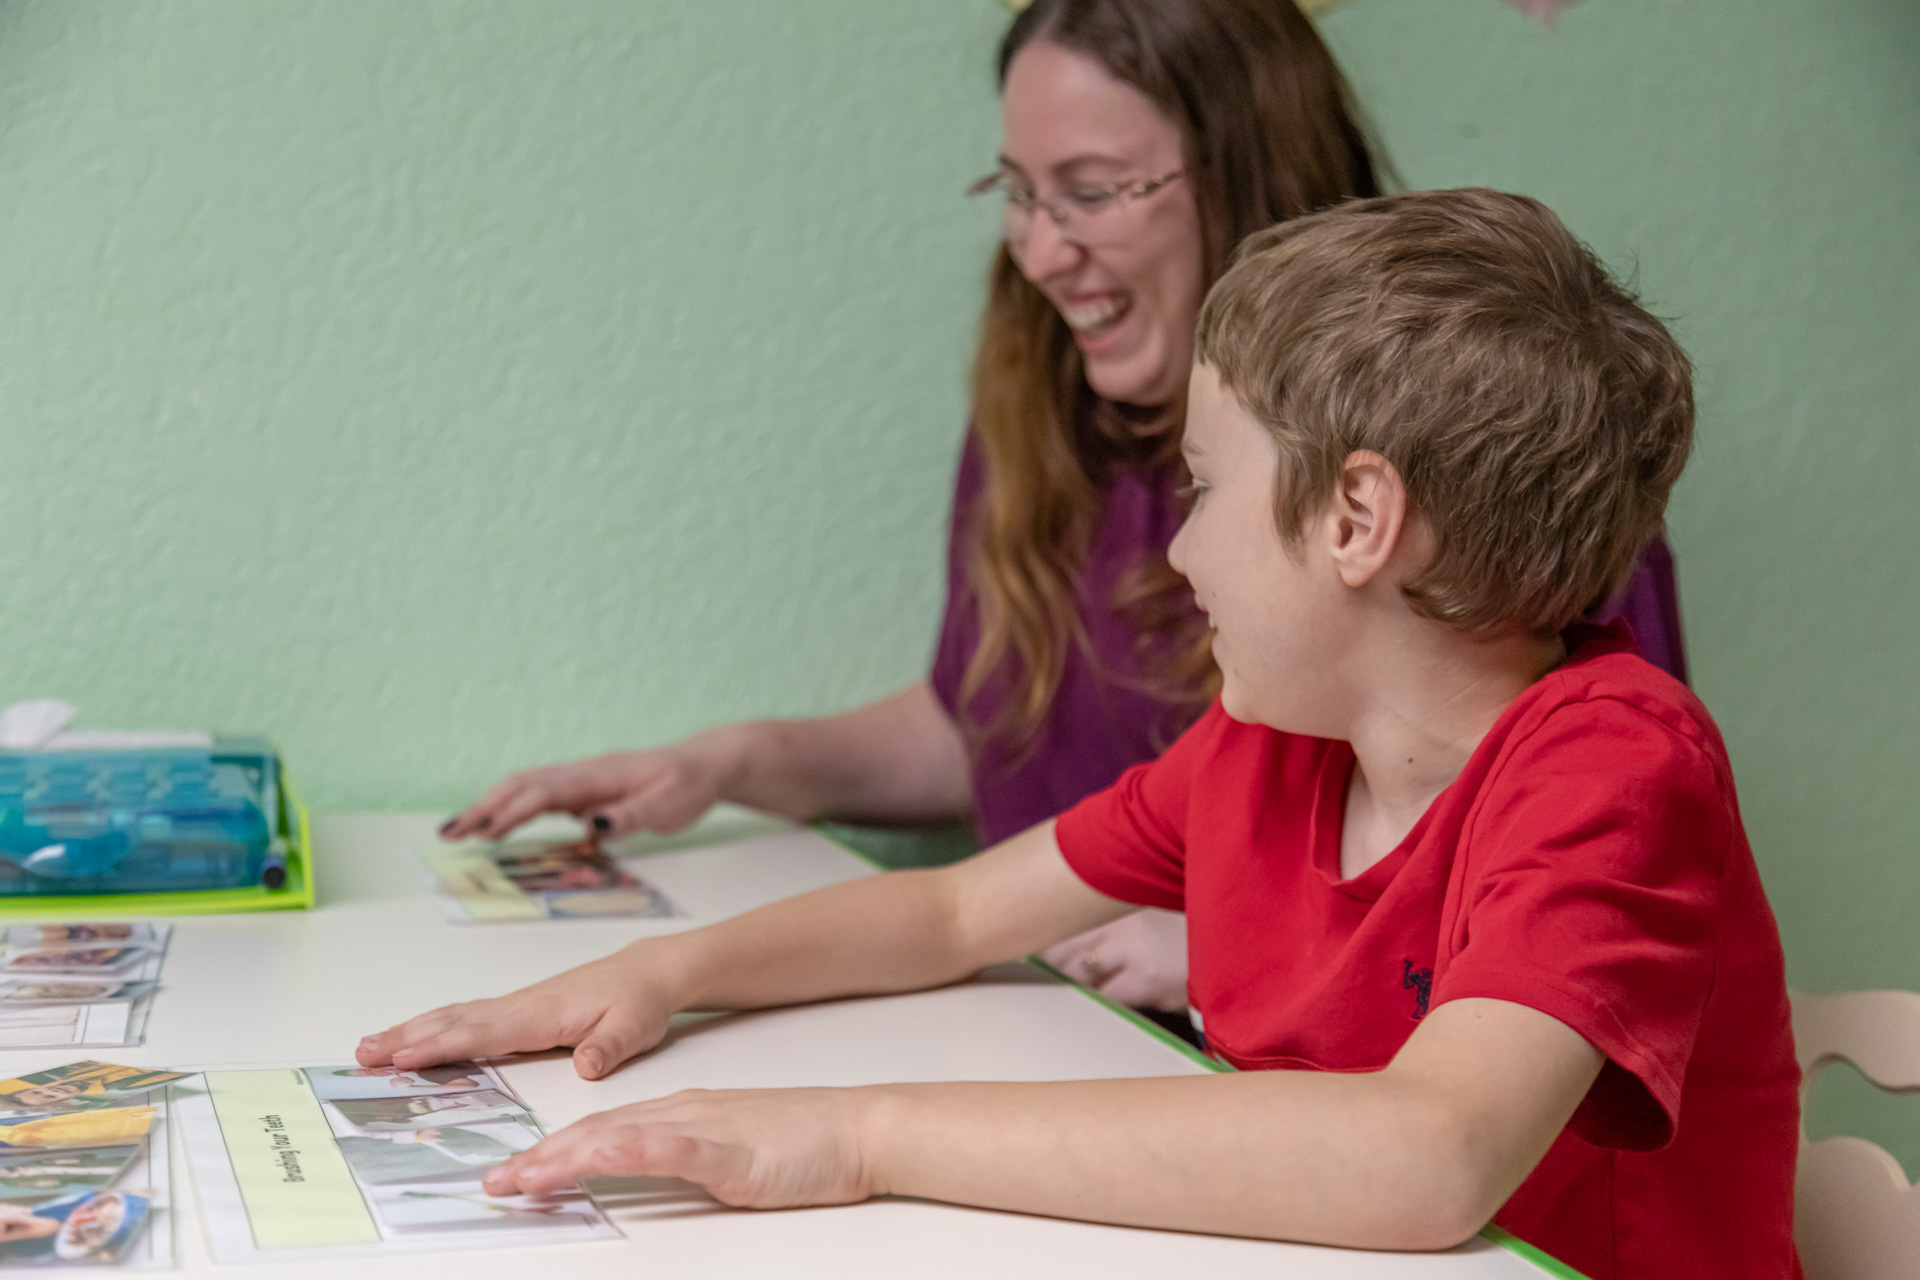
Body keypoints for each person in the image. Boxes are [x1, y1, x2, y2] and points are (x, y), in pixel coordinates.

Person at [359, 188, 1796, 1278]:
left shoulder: (1614, 761)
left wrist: (858, 1136)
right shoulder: (1270, 747)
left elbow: (1428, 1157)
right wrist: (660, 973)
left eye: (1203, 489)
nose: (1179, 556)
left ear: (1356, 519)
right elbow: (953, 912)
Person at [436, 0, 1689, 1018]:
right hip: (1087, 1028)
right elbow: (986, 781)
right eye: (1020, 193)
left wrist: (1229, 948)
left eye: (1089, 190)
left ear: (1366, 517)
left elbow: (1464, 1065)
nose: (1038, 252)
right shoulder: (1230, 727)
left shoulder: (1573, 687)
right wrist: (734, 769)